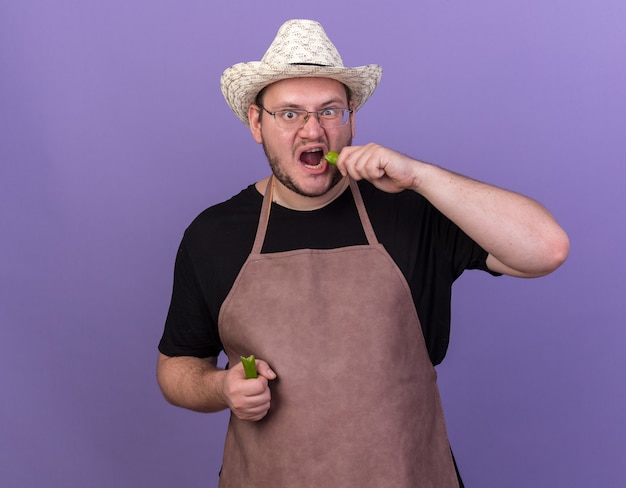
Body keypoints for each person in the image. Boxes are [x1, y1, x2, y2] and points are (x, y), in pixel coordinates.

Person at [156, 19, 569, 488]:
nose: (313, 132)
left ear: (352, 117)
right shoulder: (213, 234)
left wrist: (420, 176)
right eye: (289, 114)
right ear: (256, 123)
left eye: (329, 111)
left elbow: (546, 248)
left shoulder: (409, 210)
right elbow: (176, 367)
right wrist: (220, 388)